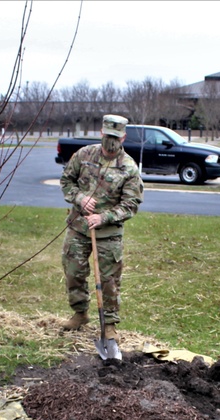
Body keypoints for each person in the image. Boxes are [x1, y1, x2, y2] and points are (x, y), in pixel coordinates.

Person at [59, 114, 144, 343]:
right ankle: (80, 313)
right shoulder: (84, 155)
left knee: (109, 280)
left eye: (116, 137)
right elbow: (67, 181)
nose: (111, 141)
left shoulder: (128, 169)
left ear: (123, 137)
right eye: (107, 136)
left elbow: (131, 204)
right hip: (79, 227)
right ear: (101, 133)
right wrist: (80, 198)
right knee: (73, 271)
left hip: (108, 233)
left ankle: (109, 324)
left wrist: (104, 217)